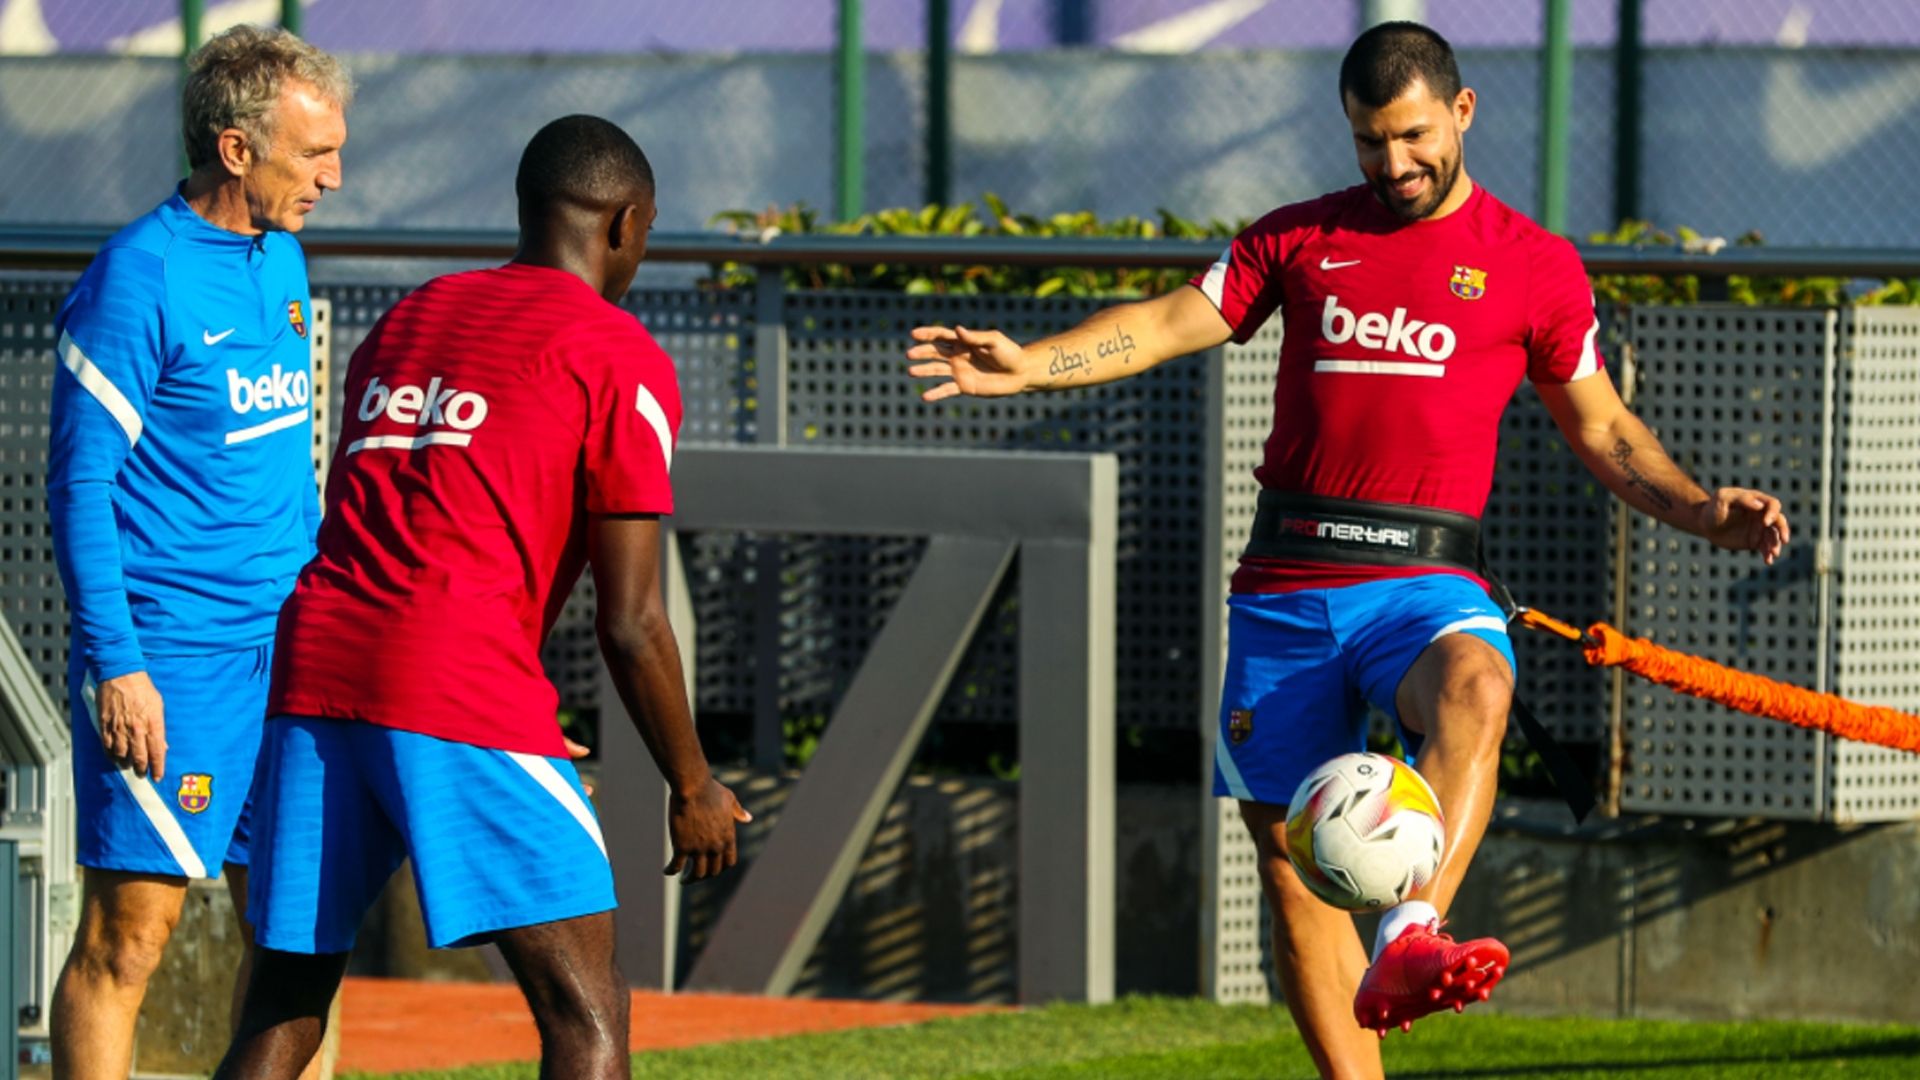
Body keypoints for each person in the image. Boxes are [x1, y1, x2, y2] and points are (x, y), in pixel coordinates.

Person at [906, 21, 1788, 1080]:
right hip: (1285, 592)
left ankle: (1411, 936)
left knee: (1476, 685)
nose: (1393, 164)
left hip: (1424, 583)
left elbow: (1602, 427)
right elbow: (1166, 324)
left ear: (1463, 113)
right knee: (1293, 873)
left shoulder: (1535, 267)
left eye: (1412, 136)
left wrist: (1700, 510)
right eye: (1370, 142)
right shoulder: (1294, 237)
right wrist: (1032, 365)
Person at [212, 114, 750, 1080]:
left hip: (317, 664)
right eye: (649, 232)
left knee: (285, 999)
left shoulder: (410, 318)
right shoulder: (620, 354)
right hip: (452, 680)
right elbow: (631, 621)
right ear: (625, 225)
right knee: (589, 1010)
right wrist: (694, 783)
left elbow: (413, 525)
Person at [45, 24, 351, 1080]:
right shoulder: (138, 277)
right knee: (128, 943)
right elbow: (80, 486)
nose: (333, 177)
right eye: (313, 155)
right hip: (173, 660)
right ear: (235, 149)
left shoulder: (287, 256)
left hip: (293, 651)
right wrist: (118, 663)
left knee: (295, 947)